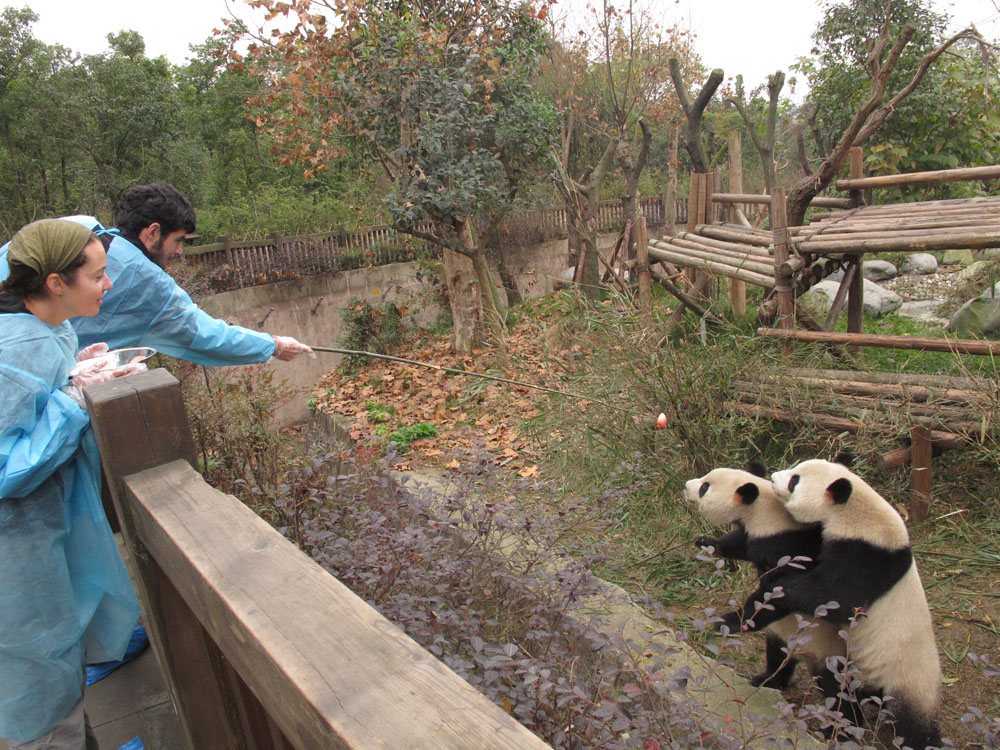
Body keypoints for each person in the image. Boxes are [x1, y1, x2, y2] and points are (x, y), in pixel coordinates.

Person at [0, 219, 142, 749]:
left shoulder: (44, 329)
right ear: (57, 282)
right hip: (14, 561)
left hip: (38, 540)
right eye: (98, 275)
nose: (109, 286)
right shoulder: (15, 348)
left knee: (59, 671)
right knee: (36, 696)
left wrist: (74, 376)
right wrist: (74, 400)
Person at [0, 182, 314, 367]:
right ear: (153, 233)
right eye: (178, 241)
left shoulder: (78, 228)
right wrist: (271, 344)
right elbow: (205, 335)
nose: (180, 253)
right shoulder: (147, 283)